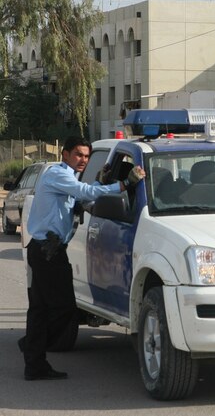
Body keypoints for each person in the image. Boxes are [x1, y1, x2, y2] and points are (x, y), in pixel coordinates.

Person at [19, 136, 145, 381]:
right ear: (65, 154)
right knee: (63, 308)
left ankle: (34, 359)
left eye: (86, 156)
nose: (83, 160)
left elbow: (82, 199)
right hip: (47, 252)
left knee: (42, 310)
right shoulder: (57, 174)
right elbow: (83, 192)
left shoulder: (69, 178)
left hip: (49, 250)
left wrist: (100, 183)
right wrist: (122, 185)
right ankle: (32, 348)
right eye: (78, 154)